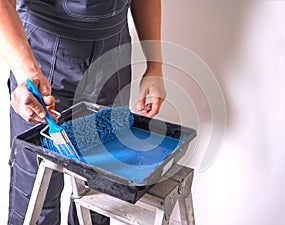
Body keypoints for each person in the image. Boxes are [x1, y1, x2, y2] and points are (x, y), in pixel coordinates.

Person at [0, 0, 166, 224]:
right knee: (37, 194)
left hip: (112, 57)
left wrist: (155, 65)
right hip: (43, 58)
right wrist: (26, 71)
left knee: (101, 191)